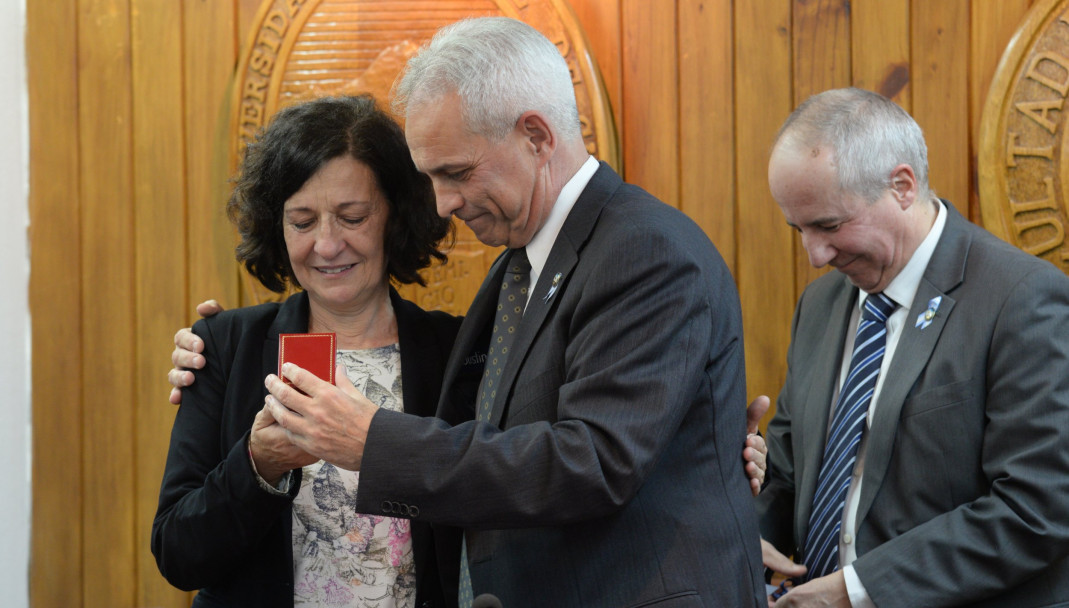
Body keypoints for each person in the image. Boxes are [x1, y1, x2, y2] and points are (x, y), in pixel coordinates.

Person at [170, 16, 765, 608]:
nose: (445, 204)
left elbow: (594, 460)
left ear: (536, 135)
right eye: (303, 221)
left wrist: (370, 441)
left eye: (455, 173)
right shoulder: (516, 269)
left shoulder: (642, 250)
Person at [755, 87, 1069, 607]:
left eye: (830, 225)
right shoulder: (822, 303)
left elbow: (1039, 506)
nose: (814, 255)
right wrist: (755, 534)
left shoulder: (1021, 300)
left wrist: (858, 592)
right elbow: (788, 471)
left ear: (903, 185)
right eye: (799, 229)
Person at [151, 94, 464, 607]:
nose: (326, 244)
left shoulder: (456, 350)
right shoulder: (225, 347)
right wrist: (257, 466)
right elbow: (179, 554)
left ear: (395, 215)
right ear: (277, 226)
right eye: (302, 221)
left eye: (352, 216)